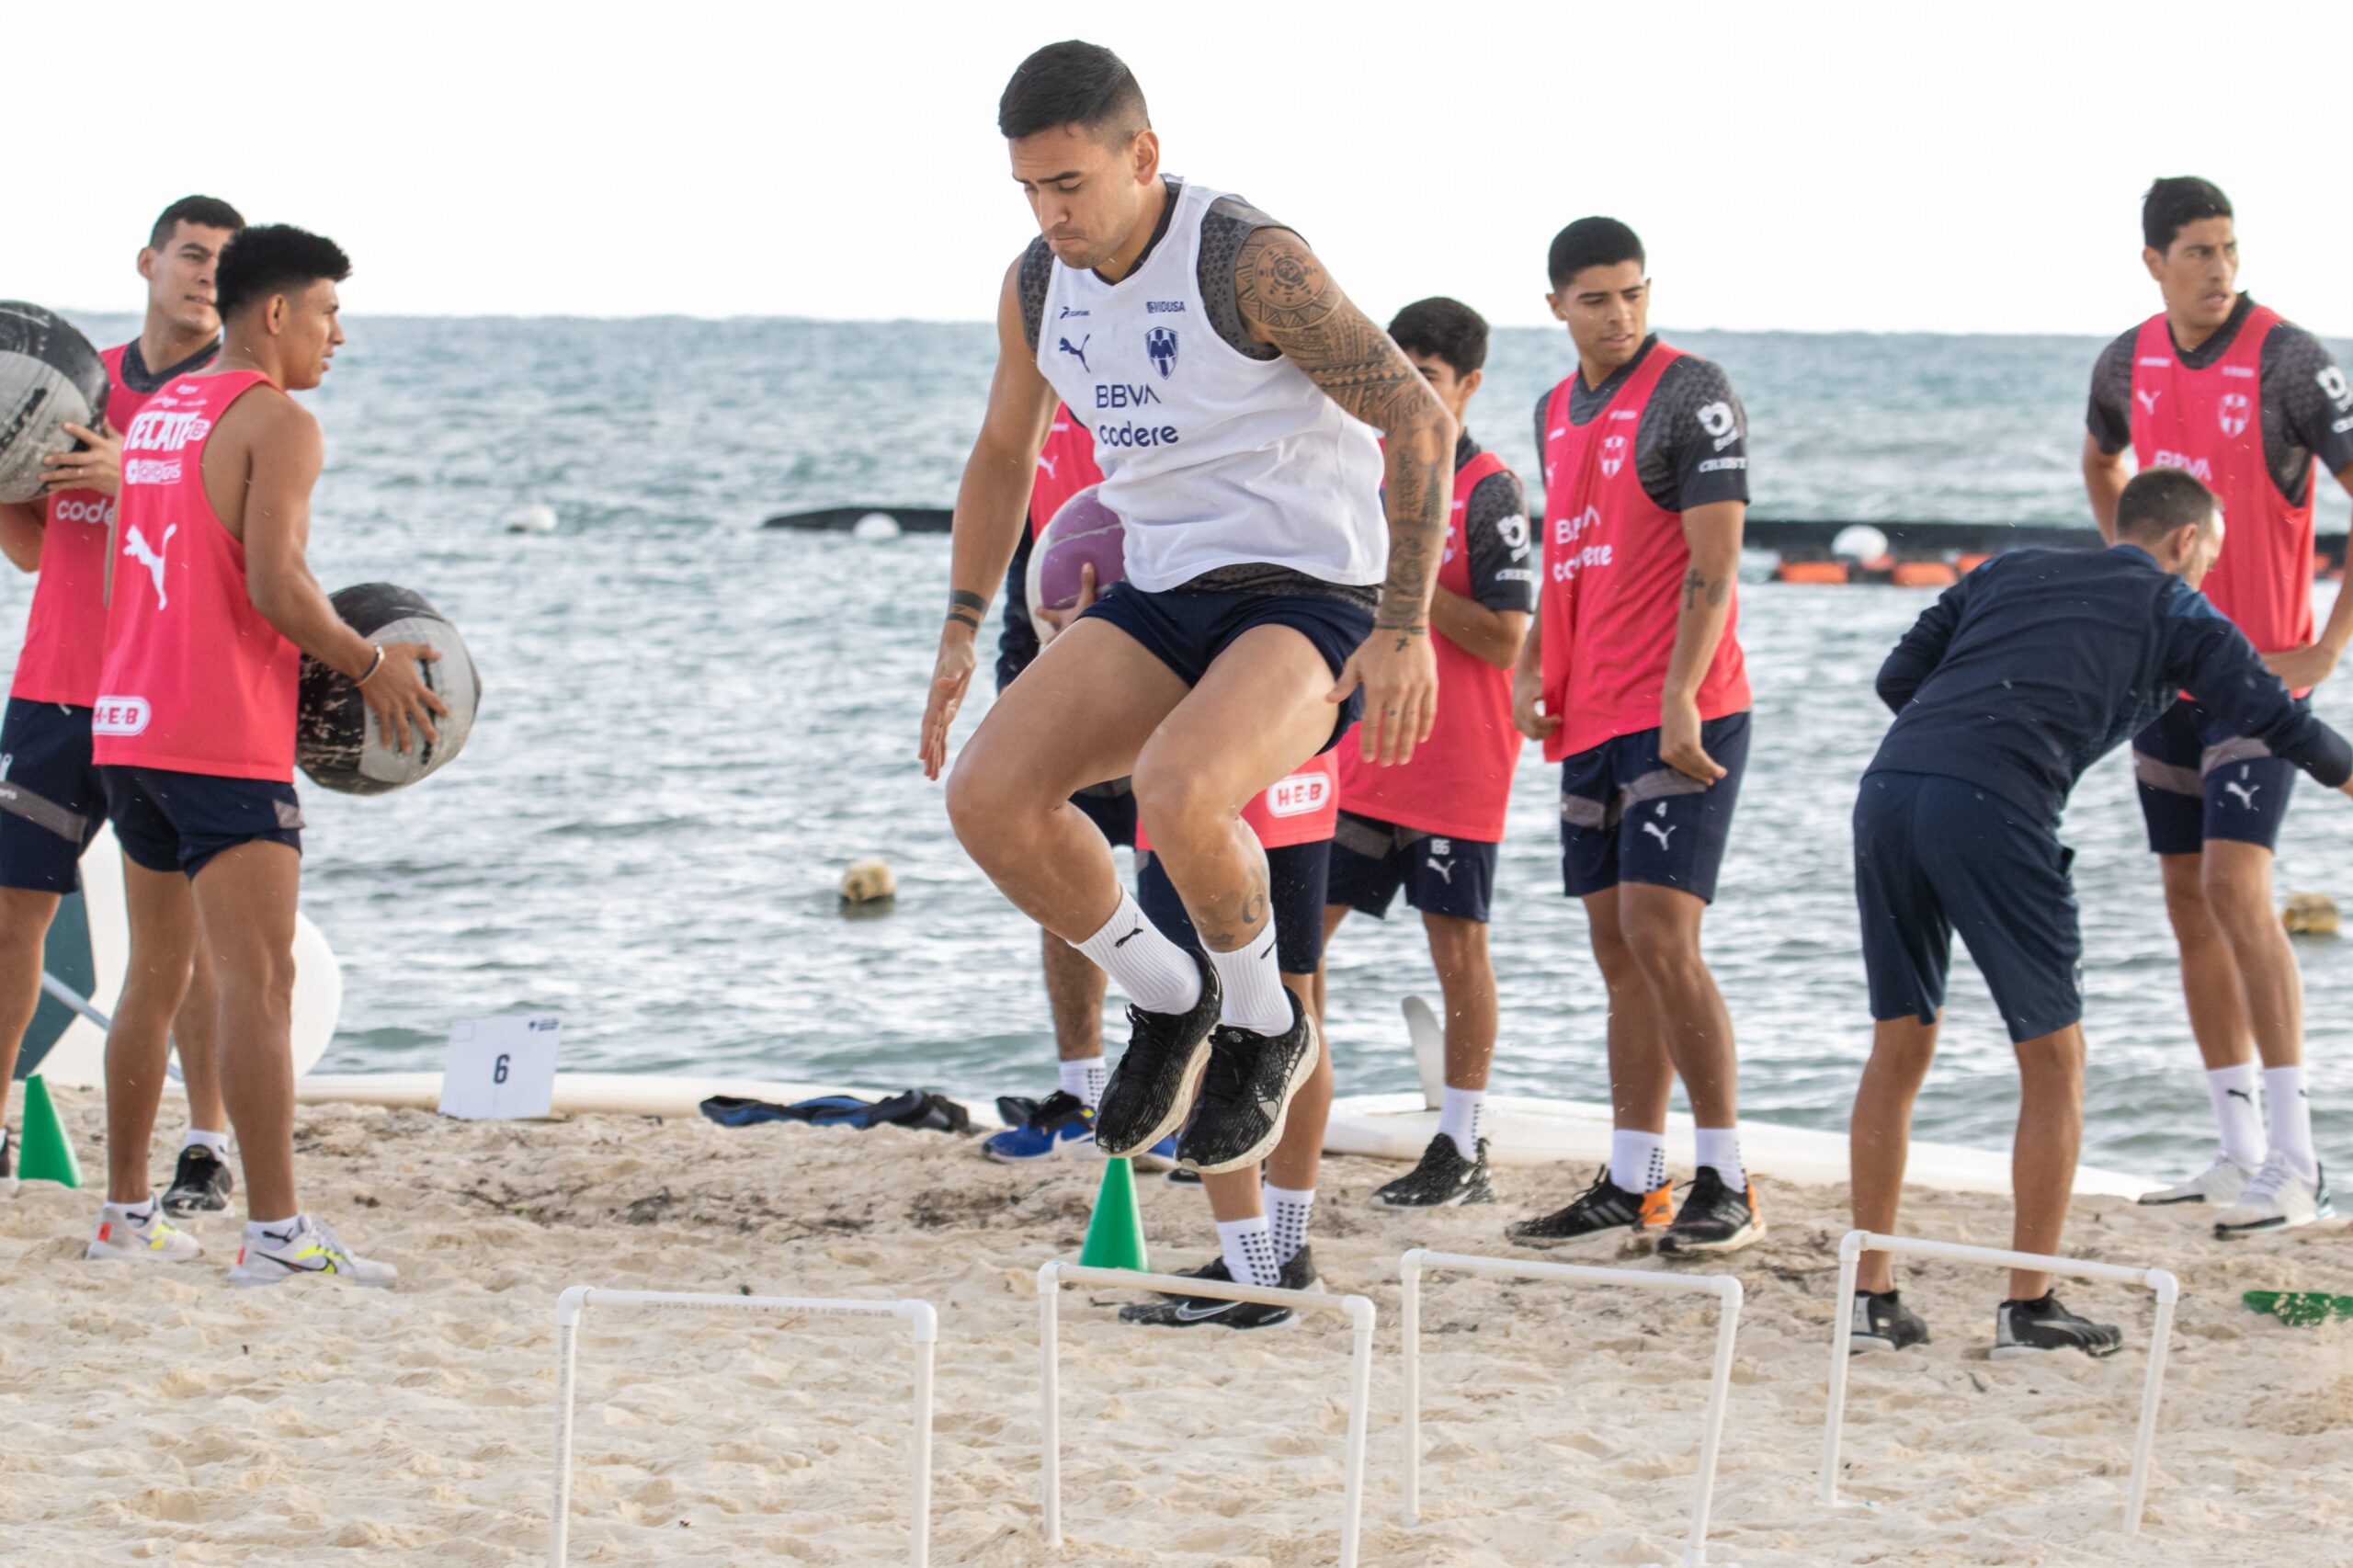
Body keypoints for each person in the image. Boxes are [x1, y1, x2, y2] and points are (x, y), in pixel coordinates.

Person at [921, 41, 1457, 1198]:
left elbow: (1417, 421)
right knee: (987, 797)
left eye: (1070, 184)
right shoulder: (1034, 284)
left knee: (1177, 789)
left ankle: (1266, 1024)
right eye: (1028, 188)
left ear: (1142, 155)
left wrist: (1405, 625)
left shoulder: (1246, 260)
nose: (1050, 212)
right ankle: (1168, 997)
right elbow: (1004, 450)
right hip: (1163, 590)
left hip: (1311, 593)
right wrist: (963, 625)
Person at [1847, 469, 2351, 1358]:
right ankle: (2027, 1309)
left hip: (1888, 790)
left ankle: (1871, 1300)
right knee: (2055, 1060)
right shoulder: (2175, 607)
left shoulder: (2005, 570)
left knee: (1901, 1038)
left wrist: (1960, 740)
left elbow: (1898, 675)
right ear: (2186, 542)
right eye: (2207, 560)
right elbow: (2278, 720)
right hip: (1993, 808)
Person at [86, 223, 442, 1283]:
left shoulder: (158, 413)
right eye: (328, 310)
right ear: (277, 313)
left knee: (152, 977)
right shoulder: (276, 420)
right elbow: (278, 587)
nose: (339, 334)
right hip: (216, 740)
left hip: (130, 724)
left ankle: (122, 1210)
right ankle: (278, 1235)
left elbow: (120, 564)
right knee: (261, 981)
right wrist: (368, 664)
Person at [2081, 177, 2353, 1231]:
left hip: (2254, 677)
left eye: (2228, 248)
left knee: (2241, 891)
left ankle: (2297, 1156)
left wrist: (2325, 645)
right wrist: (2127, 577)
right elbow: (2101, 458)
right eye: (2195, 251)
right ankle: (2234, 1147)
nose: (2218, 268)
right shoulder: (2124, 359)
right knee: (2188, 902)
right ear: (2153, 259)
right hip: (2164, 680)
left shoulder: (2289, 360)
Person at [1506, 218, 1758, 1256]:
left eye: (1632, 294)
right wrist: (1529, 668)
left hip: (1680, 706)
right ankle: (1631, 1175)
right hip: (1591, 712)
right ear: (1557, 305)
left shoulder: (1690, 391)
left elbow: (1718, 554)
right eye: (1596, 298)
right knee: (1617, 950)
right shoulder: (1553, 408)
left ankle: (1728, 1178)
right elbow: (1568, 552)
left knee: (1663, 934)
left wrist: (1683, 690)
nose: (1618, 315)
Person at [0, 196, 244, 1216]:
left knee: (177, 945)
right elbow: (32, 544)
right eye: (190, 255)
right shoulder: (67, 378)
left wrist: (134, 476)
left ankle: (205, 1144)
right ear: (148, 260)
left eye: (224, 266)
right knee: (14, 918)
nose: (204, 277)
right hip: (55, 689)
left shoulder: (237, 399)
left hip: (166, 695)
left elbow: (244, 553)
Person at [1320, 297, 1533, 1209]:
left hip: (1458, 765)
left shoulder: (1489, 488)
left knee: (1458, 953)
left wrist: (1400, 576)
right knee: (1296, 936)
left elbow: (1504, 637)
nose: (1410, 397)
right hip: (1361, 756)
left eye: (1432, 381)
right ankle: (1293, 1102)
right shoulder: (1358, 474)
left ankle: (1459, 1139)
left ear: (1469, 385)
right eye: (1397, 379)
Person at [981, 406, 1176, 1165]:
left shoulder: (1172, 386)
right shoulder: (1042, 423)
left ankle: (1184, 1098)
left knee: (1183, 890)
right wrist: (1011, 680)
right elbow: (1029, 568)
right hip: (1067, 678)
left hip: (1173, 686)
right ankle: (1086, 1091)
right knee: (1067, 892)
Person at [1120, 756, 1338, 1327]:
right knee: (1294, 1006)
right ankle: (1287, 1253)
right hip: (1300, 784)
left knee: (1211, 1020)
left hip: (1201, 791)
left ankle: (1252, 1274)